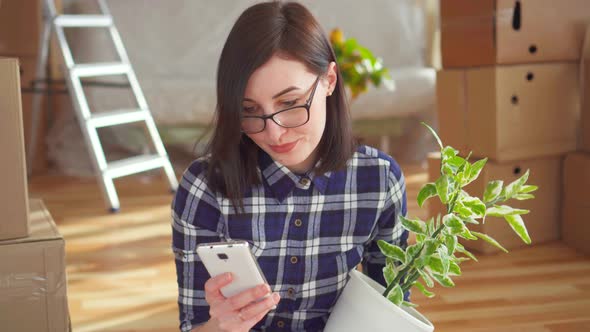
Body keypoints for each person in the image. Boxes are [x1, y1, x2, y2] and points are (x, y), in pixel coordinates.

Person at [171, 1, 408, 331]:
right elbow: (194, 325)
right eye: (249, 110)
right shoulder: (205, 187)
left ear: (329, 79)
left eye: (291, 103)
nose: (274, 131)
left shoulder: (380, 180)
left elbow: (394, 308)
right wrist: (219, 327)